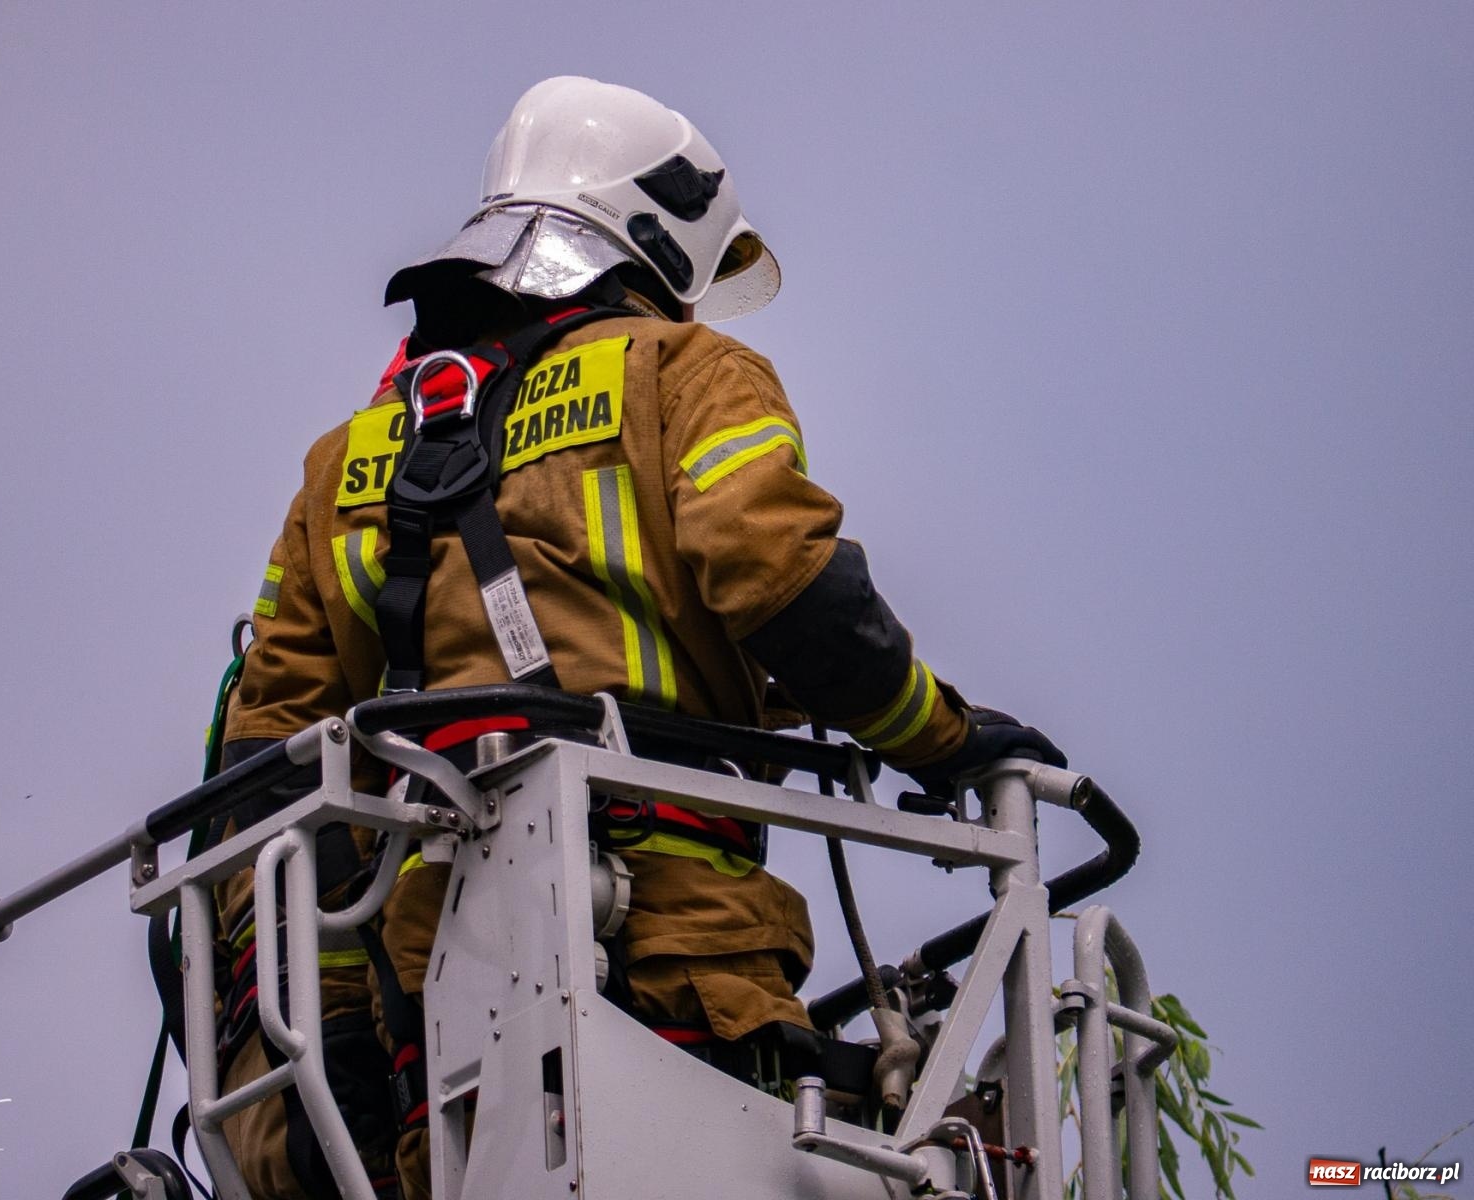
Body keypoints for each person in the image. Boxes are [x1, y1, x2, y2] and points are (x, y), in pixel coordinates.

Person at [214, 75, 1064, 1200]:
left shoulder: (349, 460)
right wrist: (944, 739)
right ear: (658, 239)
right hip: (671, 941)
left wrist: (328, 1034)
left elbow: (270, 770)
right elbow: (784, 583)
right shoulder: (682, 371)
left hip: (426, 989)